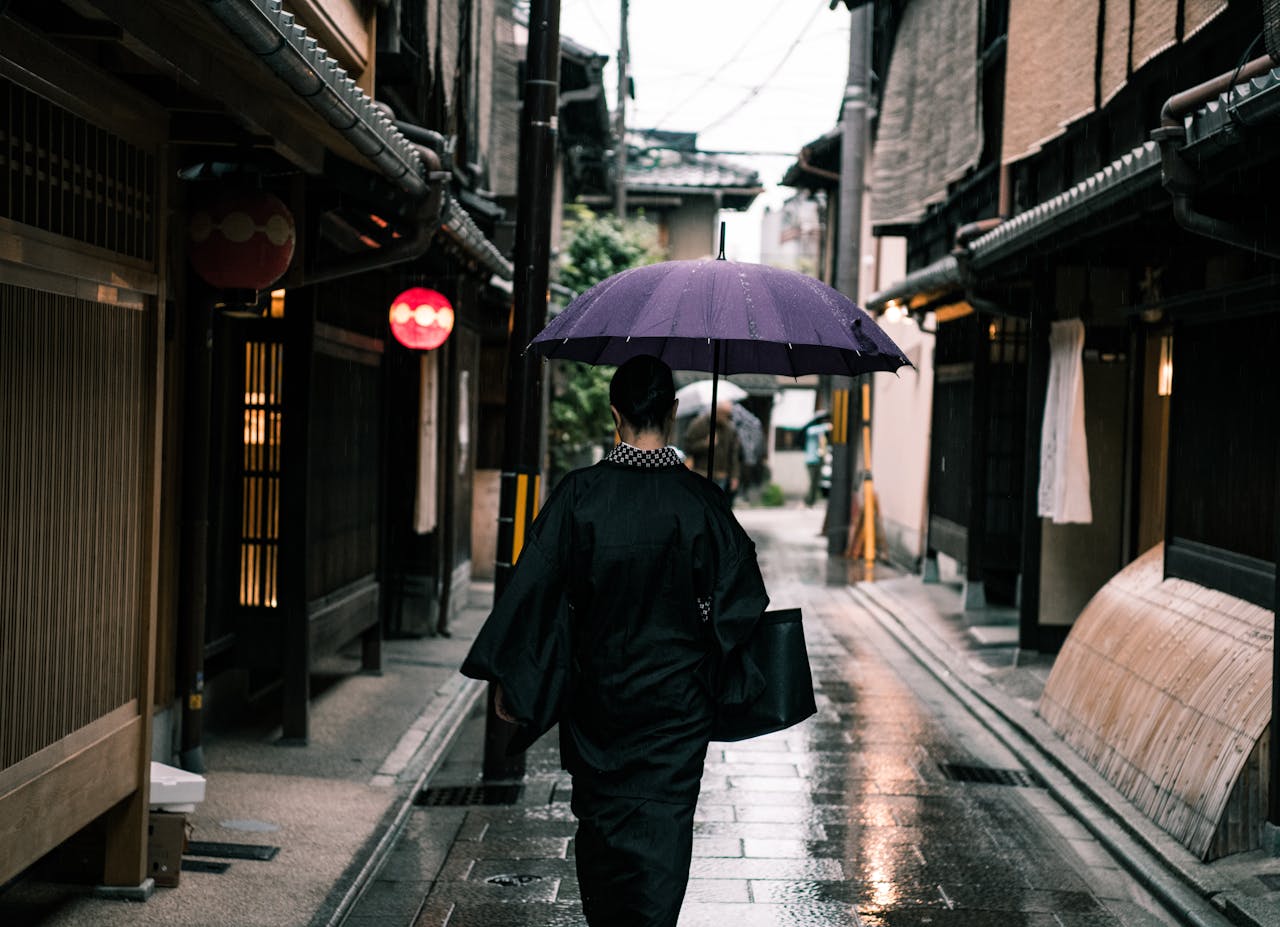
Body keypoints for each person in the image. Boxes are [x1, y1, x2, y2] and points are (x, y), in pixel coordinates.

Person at [461, 355, 769, 927]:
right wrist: (701, 610)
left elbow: (534, 590)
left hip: (600, 702)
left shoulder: (580, 495)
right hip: (677, 711)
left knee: (601, 828)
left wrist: (514, 679)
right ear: (674, 413)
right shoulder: (699, 501)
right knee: (667, 826)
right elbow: (743, 601)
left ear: (614, 414)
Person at [683, 399, 743, 505]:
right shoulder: (699, 424)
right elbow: (688, 447)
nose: (727, 417)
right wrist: (705, 444)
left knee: (716, 507)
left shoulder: (730, 429)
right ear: (717, 411)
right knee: (701, 505)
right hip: (701, 473)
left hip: (721, 476)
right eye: (724, 414)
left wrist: (735, 476)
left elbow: (733, 454)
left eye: (728, 415)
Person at [804, 416, 830, 507]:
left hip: (819, 460)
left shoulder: (821, 435)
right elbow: (811, 431)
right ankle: (808, 501)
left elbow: (824, 447)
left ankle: (811, 502)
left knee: (816, 482)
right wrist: (826, 426)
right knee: (812, 482)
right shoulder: (812, 431)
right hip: (811, 461)